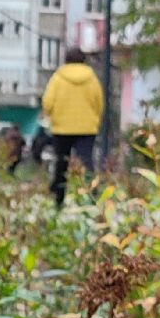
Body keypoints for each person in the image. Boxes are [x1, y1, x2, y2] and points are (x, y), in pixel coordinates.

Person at [40, 47, 104, 208]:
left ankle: (58, 198)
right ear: (84, 60)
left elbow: (47, 102)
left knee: (61, 162)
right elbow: (99, 102)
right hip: (87, 128)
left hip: (61, 128)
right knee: (86, 161)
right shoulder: (92, 78)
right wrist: (94, 119)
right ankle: (92, 195)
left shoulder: (58, 78)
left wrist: (51, 116)